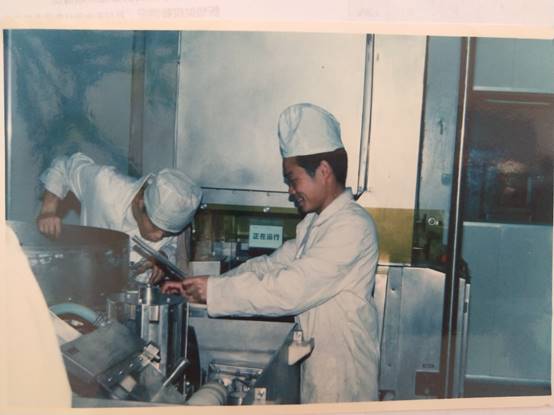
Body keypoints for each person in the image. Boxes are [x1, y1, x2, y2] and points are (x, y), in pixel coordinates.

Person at [162, 103, 380, 403]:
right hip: (324, 373)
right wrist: (201, 287)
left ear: (323, 171)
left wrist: (213, 291)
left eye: (293, 180)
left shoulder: (351, 226)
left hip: (343, 379)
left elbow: (291, 289)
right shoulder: (316, 224)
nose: (290, 191)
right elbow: (269, 266)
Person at [36, 152, 202, 283]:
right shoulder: (105, 185)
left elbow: (173, 244)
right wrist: (48, 211)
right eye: (155, 227)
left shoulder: (173, 216)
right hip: (87, 284)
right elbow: (64, 166)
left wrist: (164, 256)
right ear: (140, 203)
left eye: (168, 233)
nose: (159, 236)